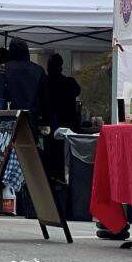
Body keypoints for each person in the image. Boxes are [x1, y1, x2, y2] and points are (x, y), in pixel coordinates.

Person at [42, 54, 82, 182]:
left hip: (57, 124)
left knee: (55, 154)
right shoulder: (68, 82)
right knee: (62, 155)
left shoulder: (47, 82)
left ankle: (55, 178)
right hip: (62, 124)